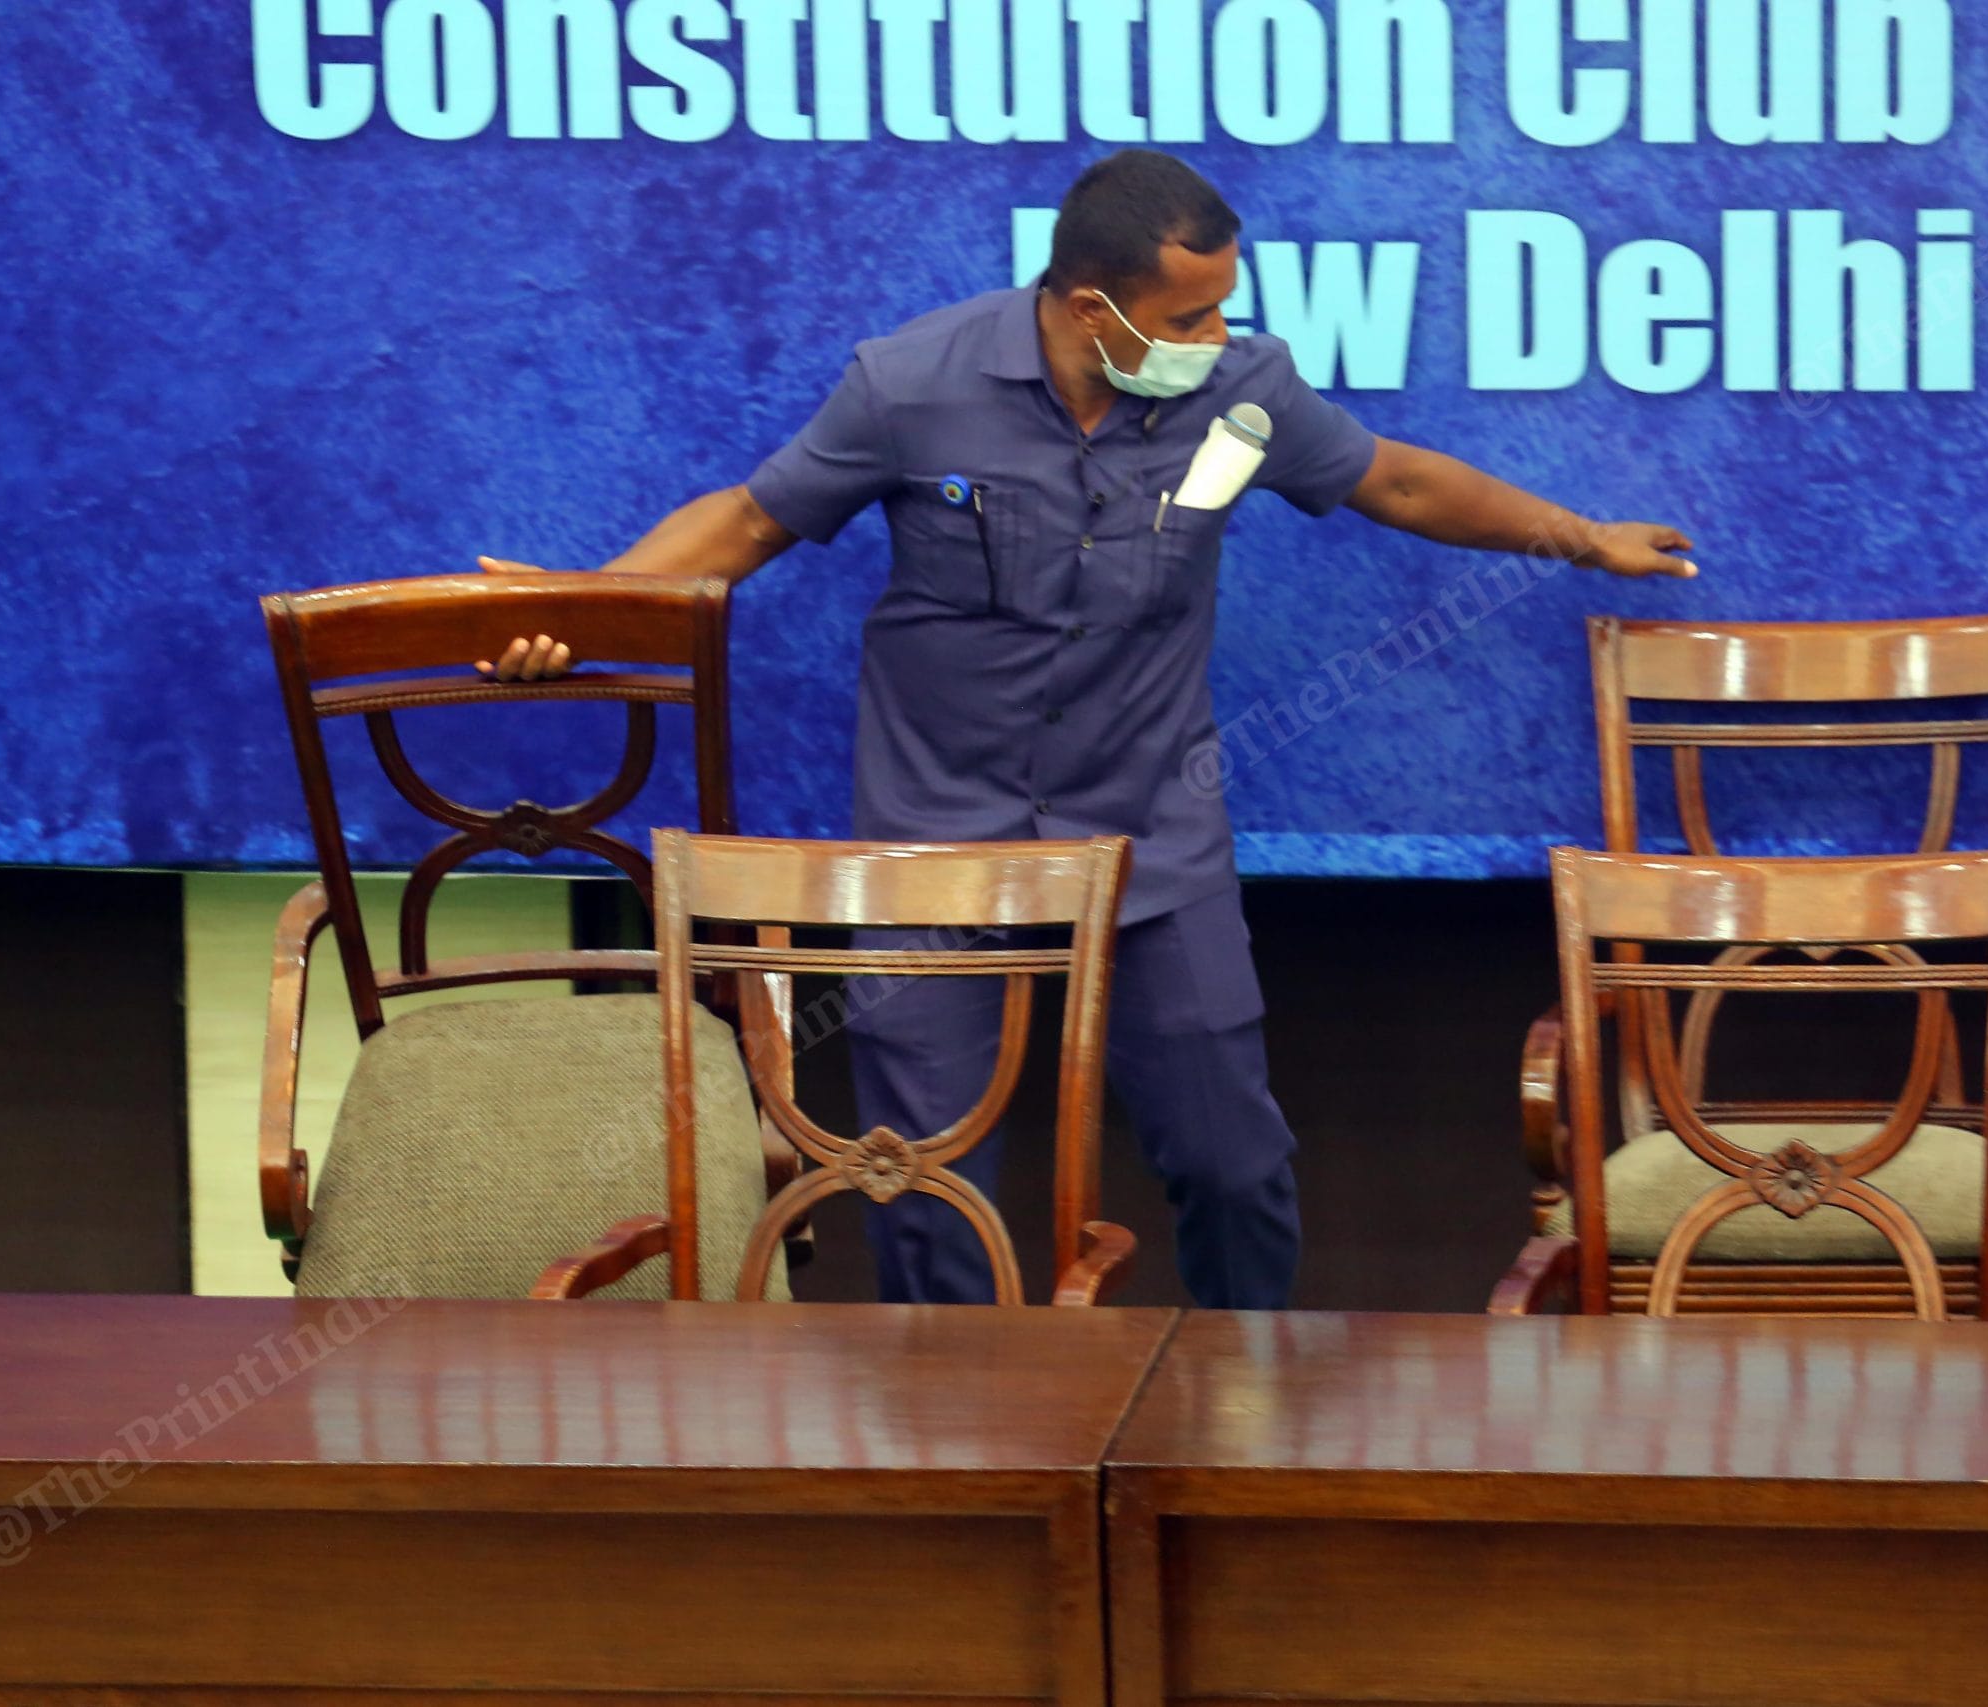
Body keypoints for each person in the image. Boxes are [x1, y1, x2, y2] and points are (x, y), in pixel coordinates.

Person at [477, 149, 1695, 1309]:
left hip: (1149, 842)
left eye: (1223, 312)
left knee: (1234, 1164)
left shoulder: (1243, 393)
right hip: (935, 851)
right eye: (1184, 320)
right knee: (922, 1181)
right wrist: (583, 617)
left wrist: (1580, 537)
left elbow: (1399, 481)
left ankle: (1248, 1389)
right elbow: (747, 525)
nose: (1213, 343)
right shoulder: (909, 384)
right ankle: (962, 1444)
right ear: (1081, 306)